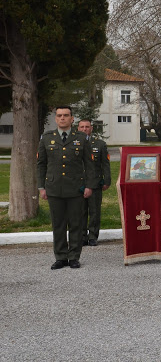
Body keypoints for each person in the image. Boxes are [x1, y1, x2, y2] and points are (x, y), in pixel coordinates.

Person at [37, 106, 97, 269]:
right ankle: (61, 257)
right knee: (58, 224)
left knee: (76, 223)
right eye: (59, 115)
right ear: (56, 119)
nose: (62, 118)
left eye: (66, 115)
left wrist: (89, 186)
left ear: (72, 119)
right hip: (54, 187)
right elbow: (41, 164)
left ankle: (74, 257)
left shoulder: (82, 138)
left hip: (76, 188)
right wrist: (41, 187)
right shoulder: (46, 138)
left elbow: (89, 164)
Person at [77, 119, 111, 246]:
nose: (84, 129)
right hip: (78, 184)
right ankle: (82, 236)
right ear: (78, 128)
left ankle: (92, 236)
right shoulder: (73, 144)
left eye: (87, 127)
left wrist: (106, 180)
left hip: (95, 183)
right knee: (80, 212)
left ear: (91, 128)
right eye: (82, 127)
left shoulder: (99, 144)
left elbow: (105, 164)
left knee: (94, 211)